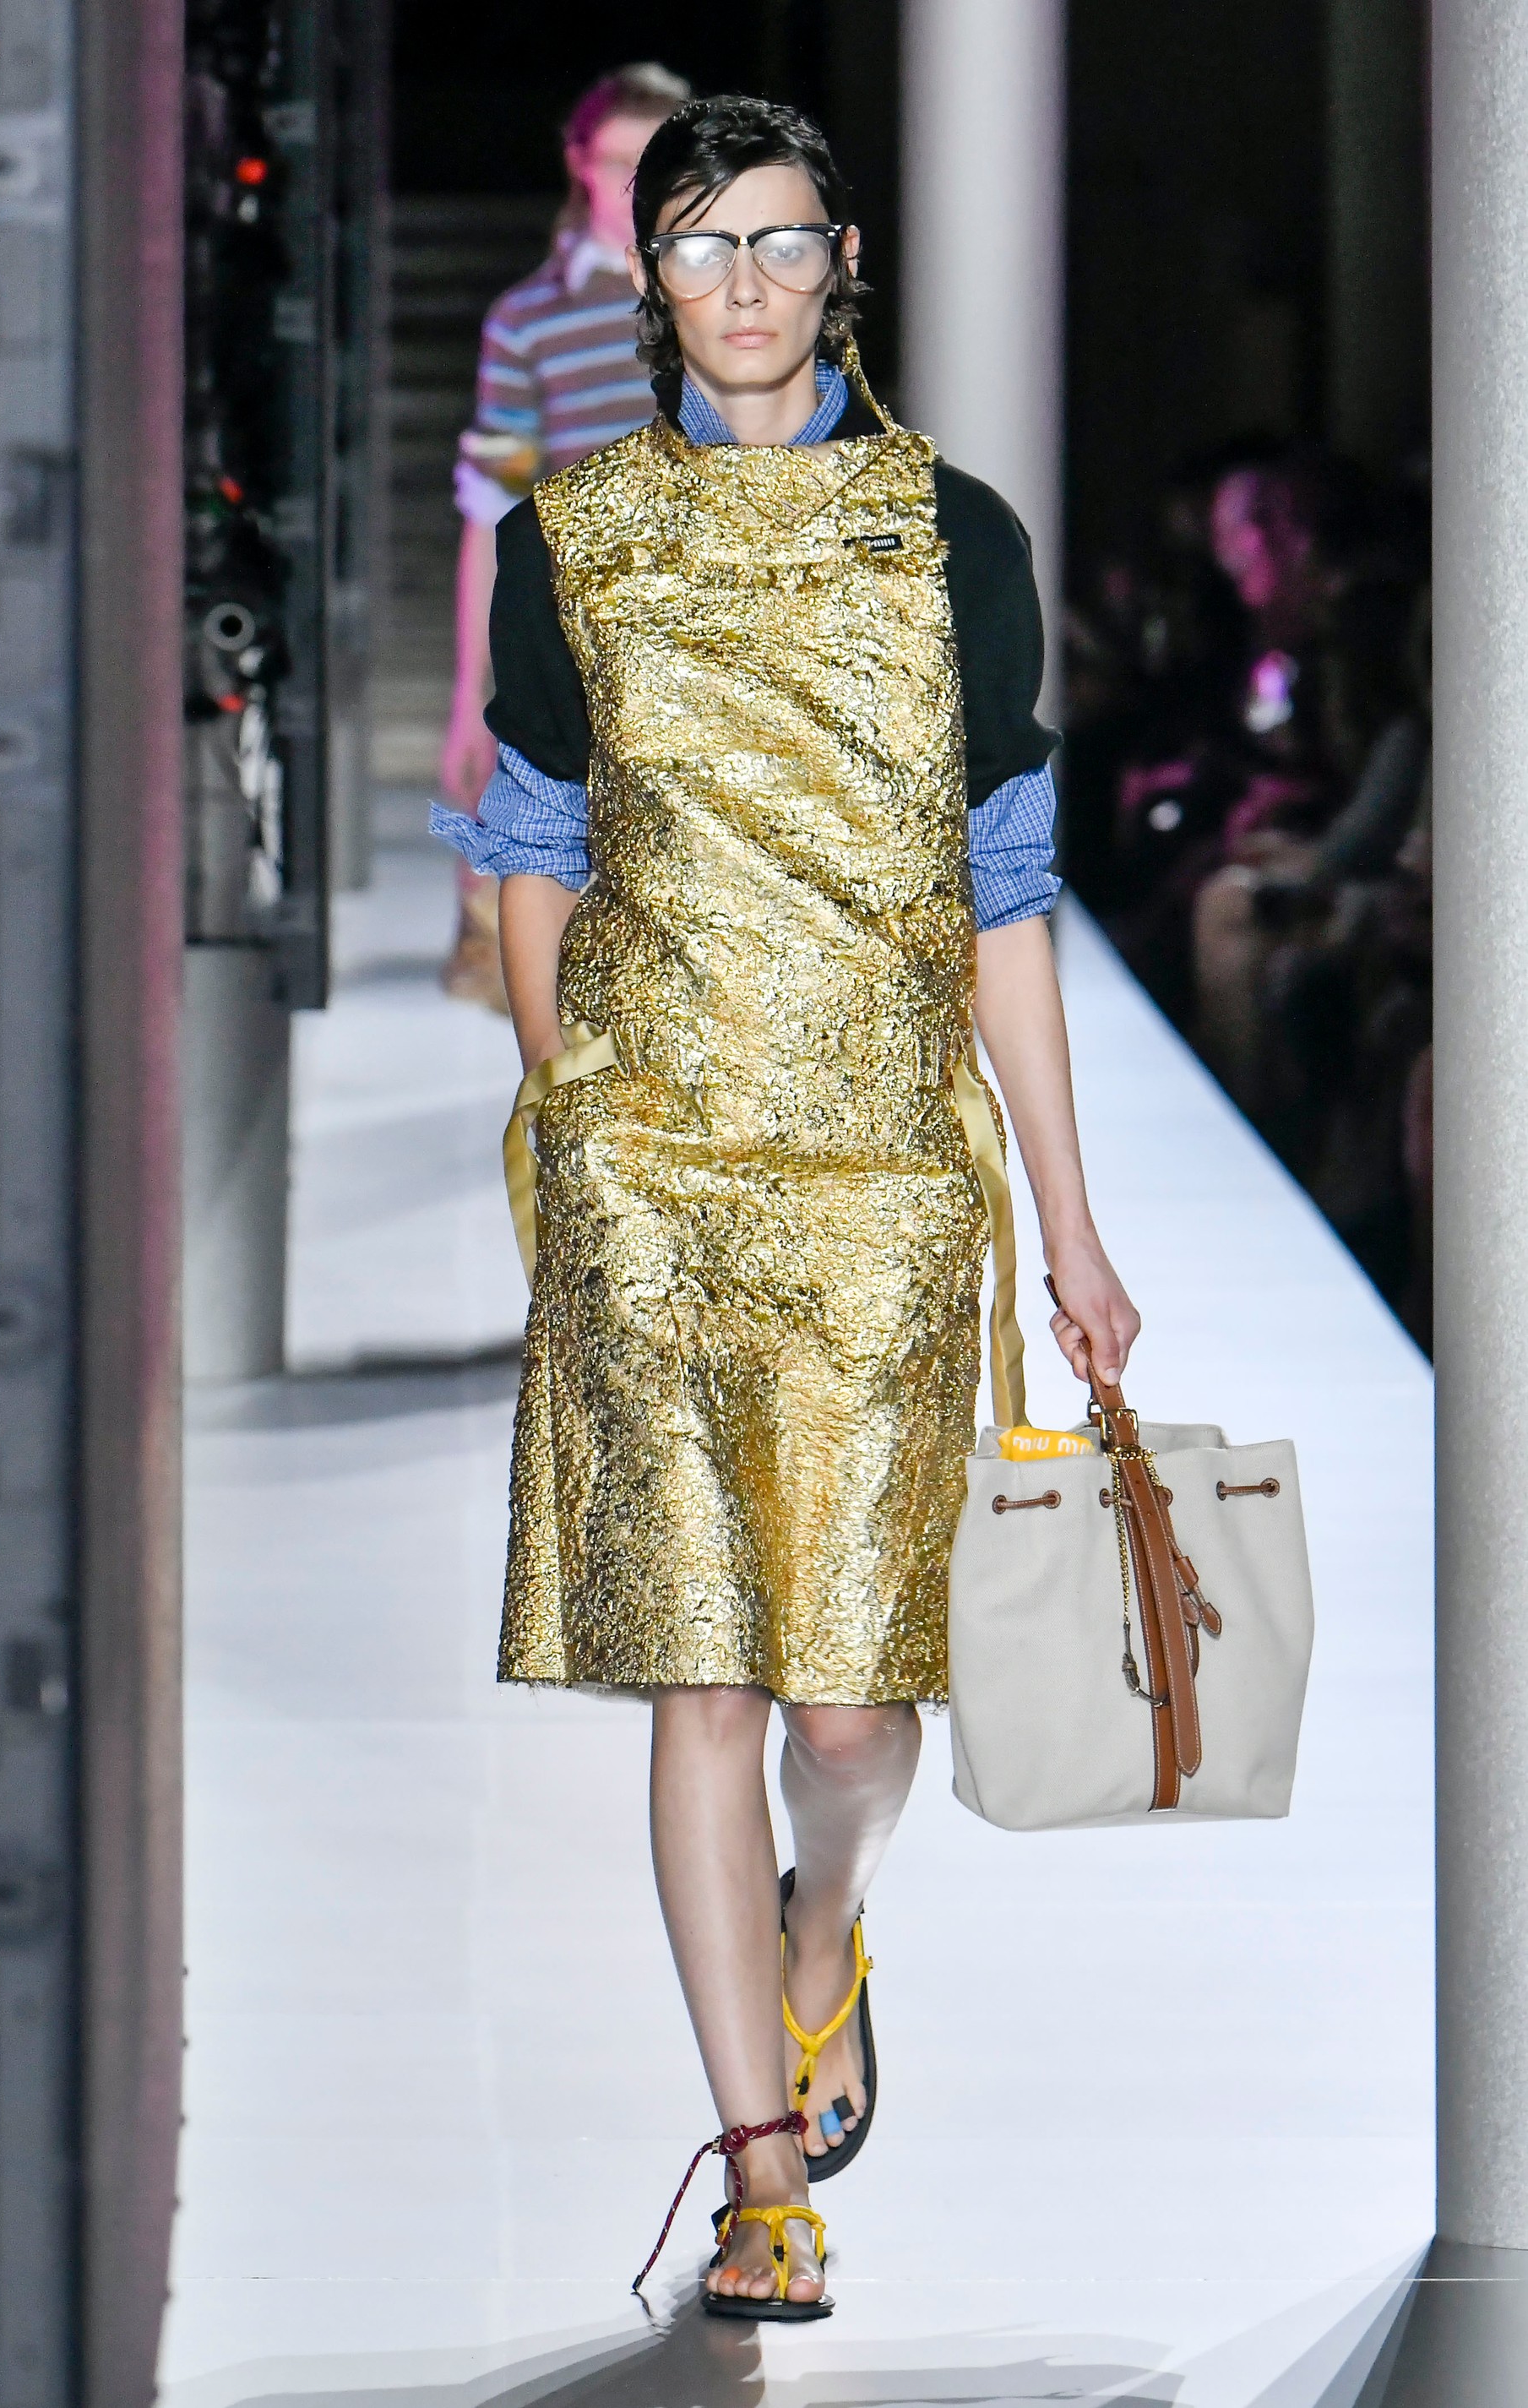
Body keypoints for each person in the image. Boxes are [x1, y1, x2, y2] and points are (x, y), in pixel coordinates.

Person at [432, 95, 1139, 2318]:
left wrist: (1072, 1222)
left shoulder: (951, 537)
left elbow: (1000, 894)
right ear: (646, 277)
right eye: (698, 244)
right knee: (706, 1680)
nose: (738, 282)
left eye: (776, 239)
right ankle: (760, 2179)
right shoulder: (571, 537)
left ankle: (820, 1916)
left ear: (843, 263)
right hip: (651, 1175)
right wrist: (566, 1111)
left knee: (848, 1715)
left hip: (880, 1187)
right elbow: (532, 846)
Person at [440, 62, 691, 1007]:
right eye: (619, 162)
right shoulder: (530, 321)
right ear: (580, 163)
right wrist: (469, 690)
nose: (635, 187)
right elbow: (491, 509)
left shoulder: (734, 310)